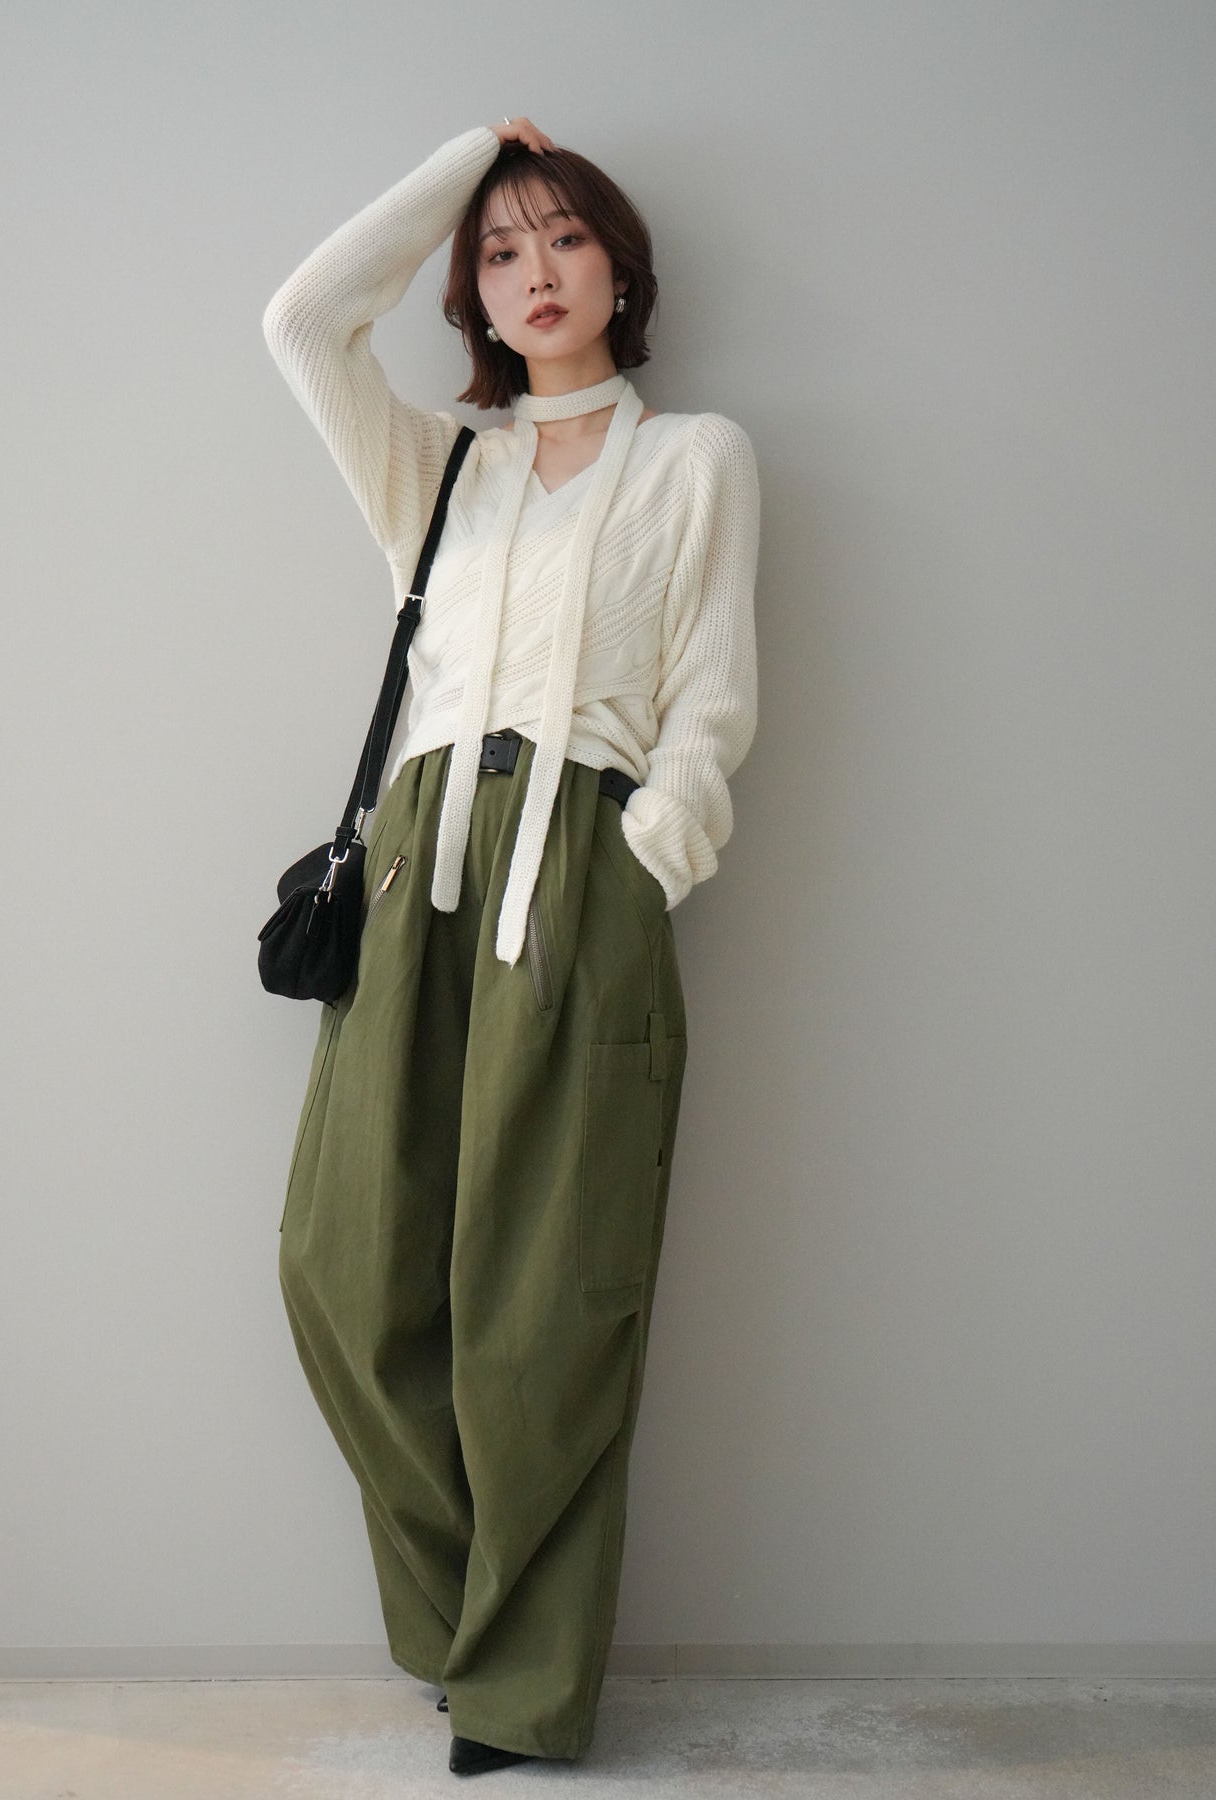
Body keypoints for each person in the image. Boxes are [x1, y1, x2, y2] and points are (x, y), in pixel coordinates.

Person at [263, 115, 760, 1776]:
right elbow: (301, 321)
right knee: (342, 1273)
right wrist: (474, 153)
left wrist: (645, 862)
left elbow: (711, 696)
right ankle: (459, 1625)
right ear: (470, 292)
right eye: (498, 249)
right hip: (416, 870)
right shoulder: (441, 466)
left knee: (544, 1305)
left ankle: (521, 1694)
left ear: (621, 267)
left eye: (561, 237)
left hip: (582, 880)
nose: (532, 270)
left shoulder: (696, 458)